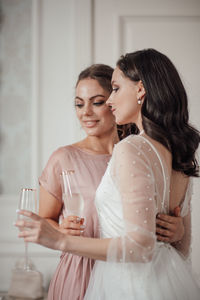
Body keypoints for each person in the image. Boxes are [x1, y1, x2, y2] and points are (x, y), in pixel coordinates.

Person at [16, 52, 198, 299]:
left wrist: (176, 233)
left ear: (140, 90)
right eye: (79, 103)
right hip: (98, 274)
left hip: (122, 278)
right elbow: (175, 249)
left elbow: (142, 245)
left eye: (110, 93)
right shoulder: (175, 152)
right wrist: (60, 228)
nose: (87, 112)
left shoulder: (133, 150)